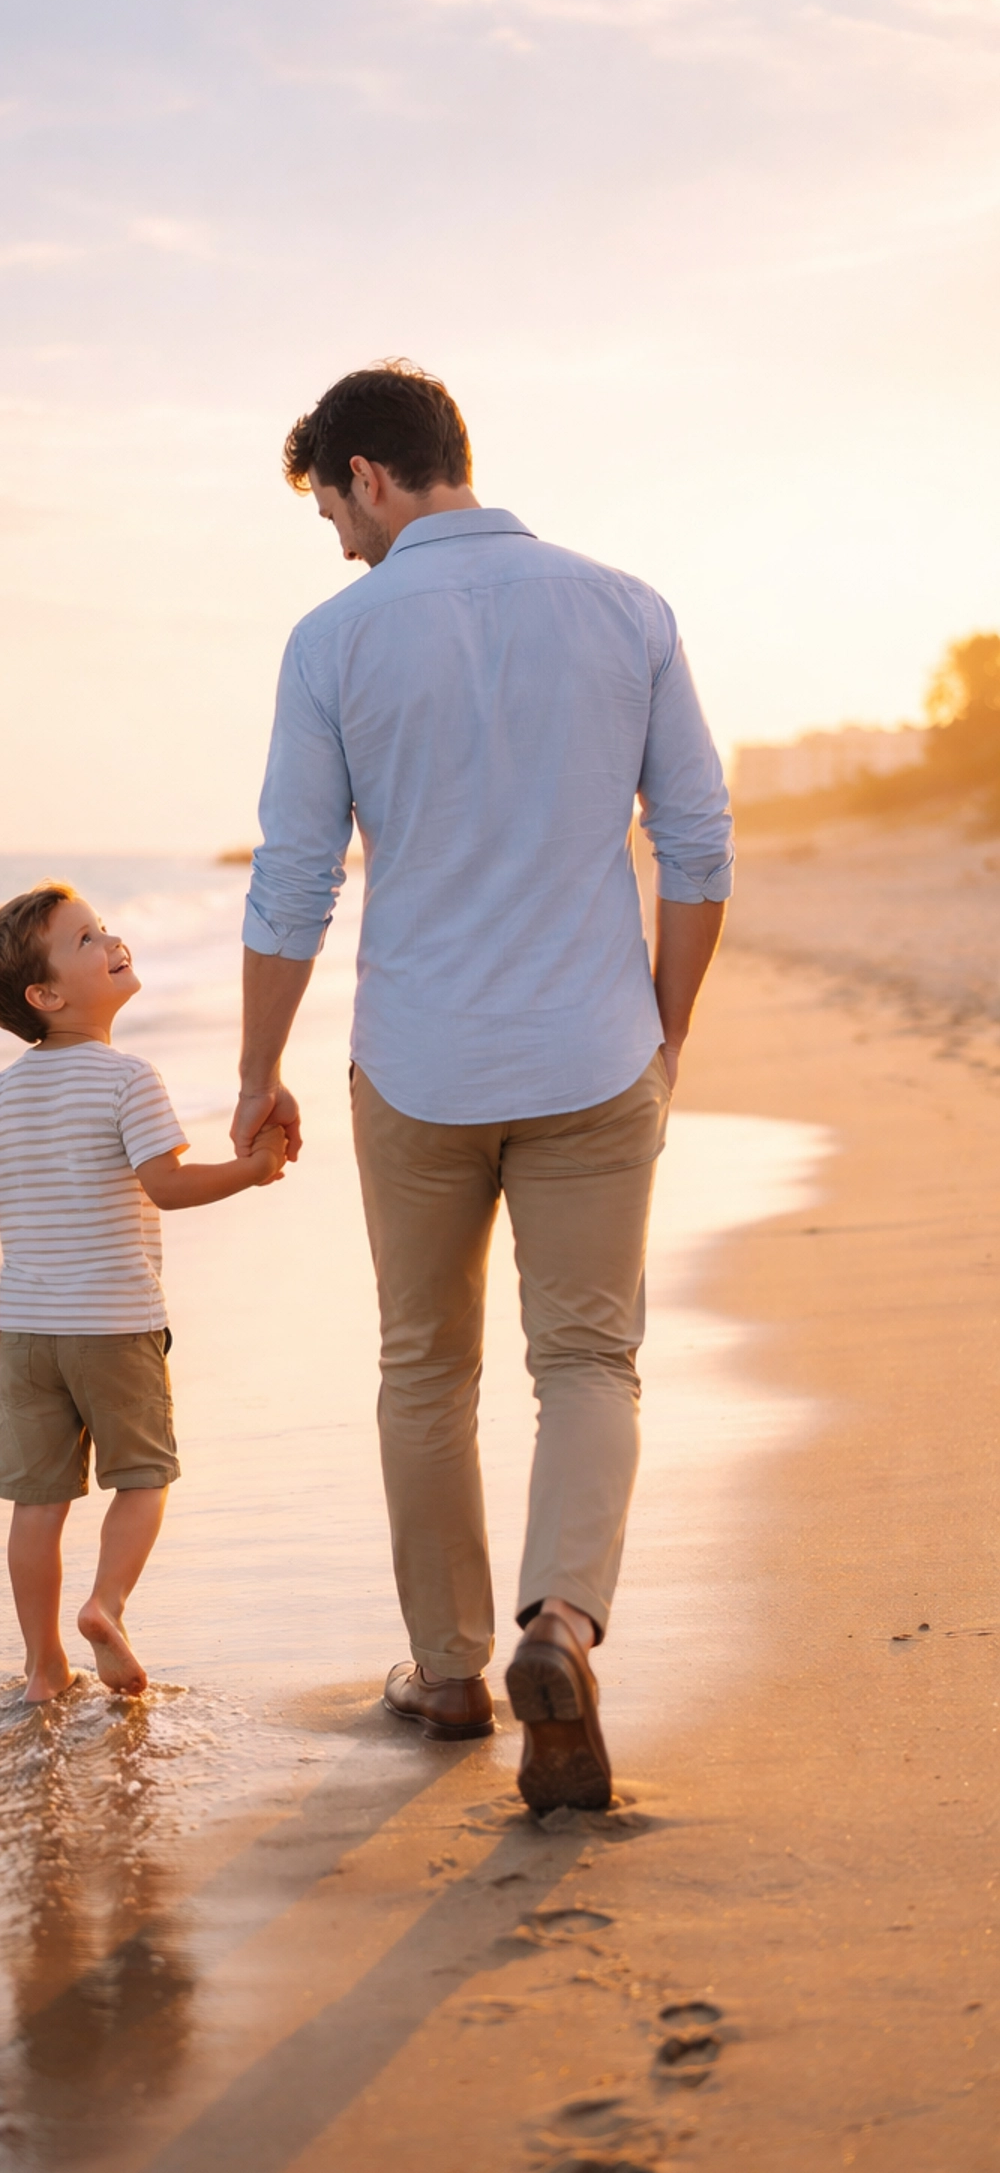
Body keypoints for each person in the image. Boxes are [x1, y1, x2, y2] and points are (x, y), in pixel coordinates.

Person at [233, 363, 733, 1812]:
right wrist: (666, 1028)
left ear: (369, 475)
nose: (337, 539)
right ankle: (559, 1625)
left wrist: (259, 1072)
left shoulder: (336, 638)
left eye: (332, 508)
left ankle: (449, 1672)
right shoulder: (627, 607)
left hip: (421, 1066)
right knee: (586, 1360)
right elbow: (697, 845)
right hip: (592, 1053)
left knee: (424, 1368)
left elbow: (292, 881)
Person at [0, 882, 288, 1704]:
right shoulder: (128, 1078)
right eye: (86, 939)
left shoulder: (5, 1091)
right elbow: (166, 1186)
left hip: (30, 1335)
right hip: (116, 1324)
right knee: (143, 1478)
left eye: (103, 929)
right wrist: (250, 1171)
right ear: (48, 995)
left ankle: (42, 1666)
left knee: (37, 1502)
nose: (111, 940)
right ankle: (104, 1605)